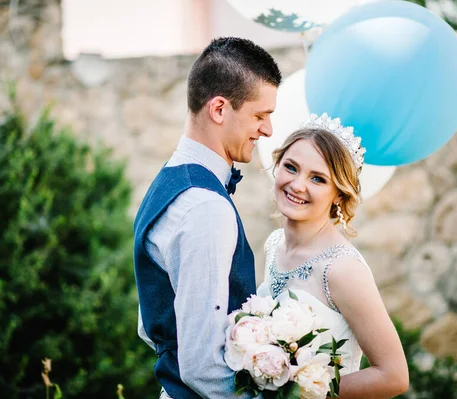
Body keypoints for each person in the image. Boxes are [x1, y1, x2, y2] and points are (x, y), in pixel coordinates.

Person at [134, 37, 282, 399]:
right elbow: (203, 366)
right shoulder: (204, 207)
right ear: (219, 109)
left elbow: (148, 324)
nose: (268, 130)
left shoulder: (171, 179)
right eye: (260, 115)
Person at [257, 114, 409, 398]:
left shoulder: (342, 269)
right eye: (291, 167)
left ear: (338, 194)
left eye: (317, 178)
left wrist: (301, 392)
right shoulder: (274, 243)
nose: (298, 185)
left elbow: (394, 376)